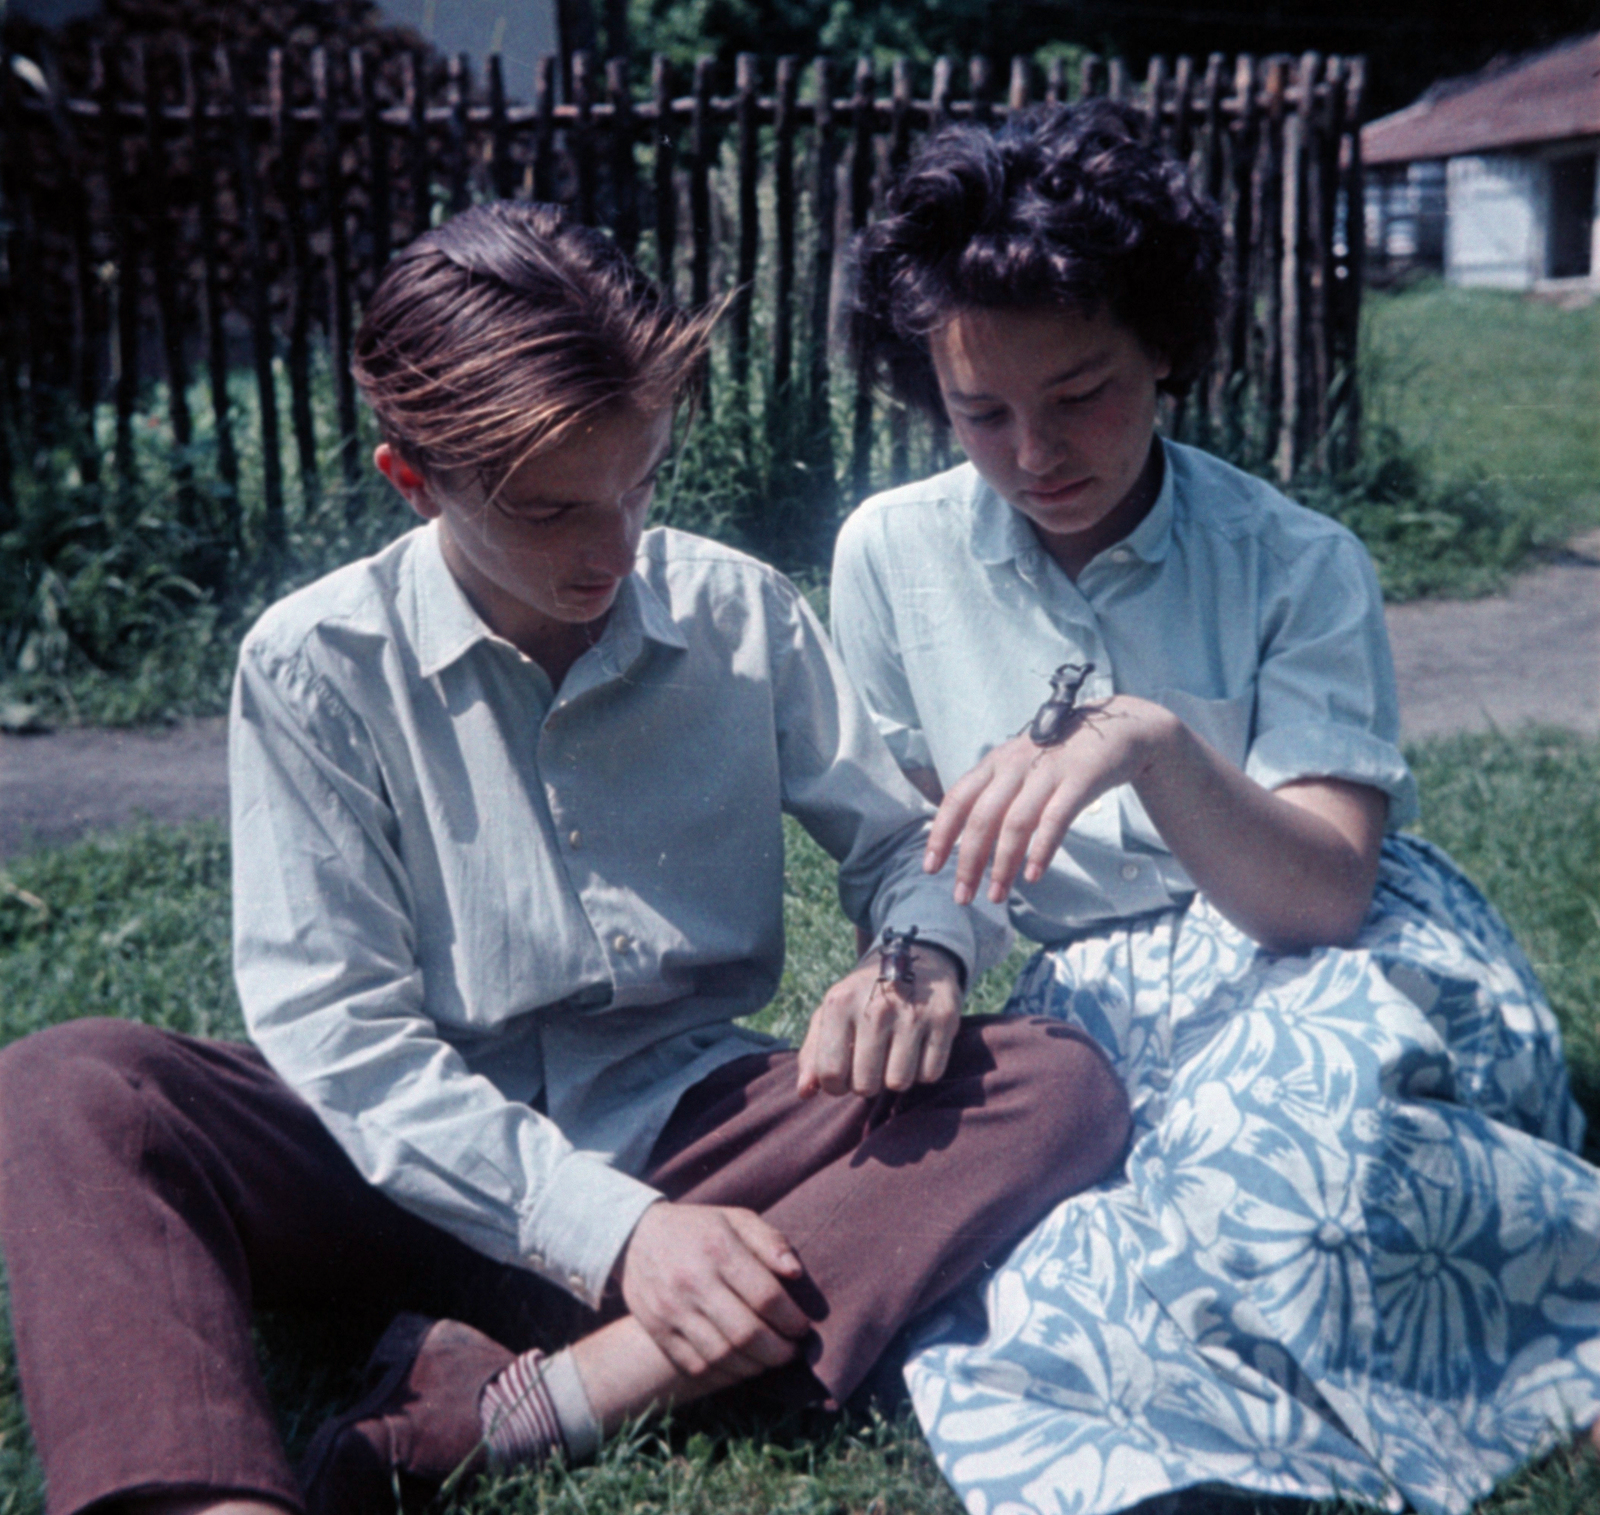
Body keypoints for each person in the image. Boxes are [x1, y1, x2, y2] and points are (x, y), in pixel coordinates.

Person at [0, 201, 1133, 1515]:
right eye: (548, 511)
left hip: (693, 1133)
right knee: (74, 1085)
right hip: (400, 1167)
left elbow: (904, 845)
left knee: (1050, 1082)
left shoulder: (735, 610)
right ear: (411, 480)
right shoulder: (316, 664)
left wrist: (917, 952)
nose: (611, 551)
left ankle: (544, 1402)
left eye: (638, 485)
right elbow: (343, 1036)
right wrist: (616, 1234)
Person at [832, 99, 1600, 1515]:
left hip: (1312, 944)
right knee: (1054, 1236)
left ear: (1170, 350)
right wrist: (923, 953)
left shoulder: (1296, 561)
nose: (1033, 453)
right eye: (979, 413)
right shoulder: (891, 555)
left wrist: (1149, 744)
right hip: (1094, 991)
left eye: (1083, 394)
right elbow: (928, 851)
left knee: (1313, 1134)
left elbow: (1321, 892)